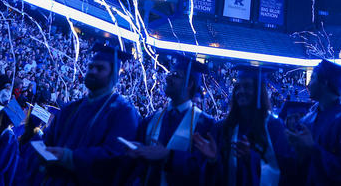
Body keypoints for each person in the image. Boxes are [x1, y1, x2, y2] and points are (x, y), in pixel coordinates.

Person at [40, 43, 140, 185]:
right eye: (90, 66)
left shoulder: (123, 112)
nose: (92, 71)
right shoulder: (71, 108)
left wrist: (70, 157)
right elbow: (48, 139)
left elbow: (116, 155)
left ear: (113, 75)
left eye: (100, 68)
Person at [124, 53, 214, 185]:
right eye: (170, 74)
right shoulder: (151, 120)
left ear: (189, 84)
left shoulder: (206, 125)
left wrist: (169, 156)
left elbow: (204, 169)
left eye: (175, 75)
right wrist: (137, 152)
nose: (168, 78)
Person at [196, 64, 293, 185]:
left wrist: (251, 159)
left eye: (247, 86)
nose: (241, 91)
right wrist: (213, 160)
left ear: (259, 91)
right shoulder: (223, 127)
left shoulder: (273, 127)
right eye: (238, 87)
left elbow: (285, 170)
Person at [287, 59, 341, 185]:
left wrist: (313, 149)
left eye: (312, 78)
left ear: (324, 82)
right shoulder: (307, 120)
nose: (308, 84)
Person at [14, 104, 50, 185]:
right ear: (40, 123)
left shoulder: (24, 134)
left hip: (16, 175)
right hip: (27, 178)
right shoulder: (39, 137)